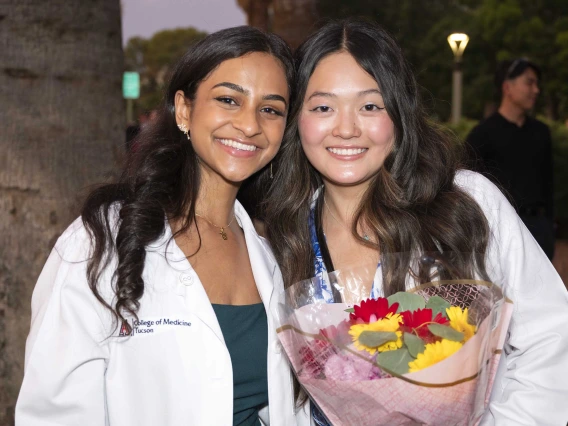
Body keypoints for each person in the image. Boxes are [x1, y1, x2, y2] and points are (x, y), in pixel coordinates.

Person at [264, 19, 568, 425]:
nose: (347, 128)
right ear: (296, 119)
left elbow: (550, 333)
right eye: (323, 107)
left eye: (370, 106)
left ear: (399, 112)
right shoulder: (284, 237)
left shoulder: (465, 204)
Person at [16, 26, 310, 426]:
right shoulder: (102, 240)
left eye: (271, 109)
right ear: (185, 110)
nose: (249, 124)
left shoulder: (275, 251)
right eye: (228, 100)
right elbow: (55, 412)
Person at [466, 58, 555, 259]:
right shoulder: (482, 134)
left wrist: (549, 226)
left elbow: (548, 183)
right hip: (499, 231)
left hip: (539, 230)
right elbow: (469, 187)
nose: (536, 90)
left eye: (537, 84)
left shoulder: (541, 132)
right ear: (508, 87)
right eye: (529, 82)